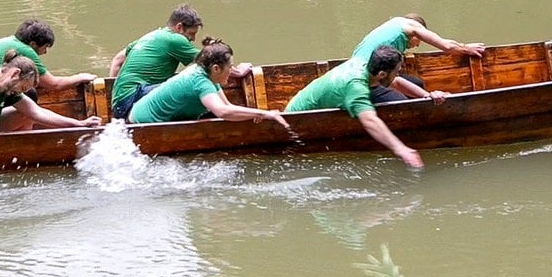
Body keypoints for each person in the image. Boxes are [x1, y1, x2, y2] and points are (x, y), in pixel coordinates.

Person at [285, 46, 425, 168]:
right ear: (382, 74)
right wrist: (401, 149)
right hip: (297, 122)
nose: (398, 74)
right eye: (396, 71)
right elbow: (370, 121)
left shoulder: (364, 64)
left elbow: (394, 82)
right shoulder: (356, 87)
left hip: (298, 105)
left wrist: (427, 96)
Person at [108, 4, 252, 120]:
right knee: (194, 83)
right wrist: (239, 72)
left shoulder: (150, 36)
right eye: (191, 34)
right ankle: (215, 114)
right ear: (179, 27)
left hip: (119, 105)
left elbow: (117, 61)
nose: (193, 40)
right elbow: (210, 62)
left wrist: (112, 97)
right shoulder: (175, 39)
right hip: (132, 101)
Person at [0, 50, 100, 148]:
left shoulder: (6, 88)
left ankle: (16, 151)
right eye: (22, 88)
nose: (20, 92)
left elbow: (37, 112)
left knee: (26, 114)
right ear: (15, 74)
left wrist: (78, 124)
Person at [0, 19, 97, 131]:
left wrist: (78, 124)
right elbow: (53, 84)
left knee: (29, 96)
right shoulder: (24, 50)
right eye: (45, 47)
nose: (45, 53)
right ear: (33, 44)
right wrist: (80, 77)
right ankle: (23, 137)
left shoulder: (11, 42)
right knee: (31, 95)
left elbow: (35, 111)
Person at [128, 40, 289, 130]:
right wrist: (265, 113)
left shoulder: (209, 76)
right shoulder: (201, 81)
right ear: (216, 68)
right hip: (142, 123)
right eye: (230, 67)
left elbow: (227, 107)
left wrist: (254, 114)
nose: (232, 70)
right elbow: (223, 112)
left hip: (145, 117)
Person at [351, 13, 485, 103]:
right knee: (404, 105)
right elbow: (447, 46)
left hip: (362, 75)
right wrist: (466, 48)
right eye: (419, 41)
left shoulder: (395, 25)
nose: (417, 45)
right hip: (360, 84)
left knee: (416, 83)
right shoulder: (411, 26)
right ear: (416, 34)